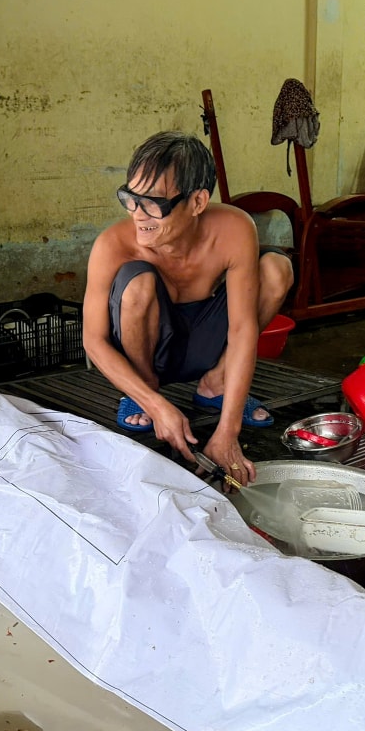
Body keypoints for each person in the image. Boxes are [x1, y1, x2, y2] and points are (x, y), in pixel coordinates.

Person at [82, 131, 294, 486]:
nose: (138, 215)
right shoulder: (113, 244)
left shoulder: (235, 228)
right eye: (131, 199)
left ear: (197, 201)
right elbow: (93, 340)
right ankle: (142, 389)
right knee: (137, 282)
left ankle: (215, 384)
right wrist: (155, 404)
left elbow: (242, 330)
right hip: (149, 354)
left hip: (205, 342)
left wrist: (228, 432)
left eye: (154, 203)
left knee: (276, 269)